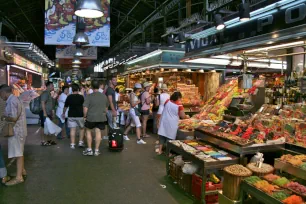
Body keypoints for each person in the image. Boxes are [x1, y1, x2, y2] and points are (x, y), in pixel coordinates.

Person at [0, 85, 27, 186]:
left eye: (0, 94)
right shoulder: (17, 99)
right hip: (21, 130)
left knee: (18, 154)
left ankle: (19, 178)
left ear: (3, 92)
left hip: (16, 131)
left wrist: (4, 117)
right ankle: (22, 171)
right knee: (19, 152)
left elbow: (14, 118)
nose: (0, 97)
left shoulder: (11, 101)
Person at [83, 80, 109, 156]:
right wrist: (104, 113)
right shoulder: (104, 96)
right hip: (101, 117)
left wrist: (85, 116)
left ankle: (90, 150)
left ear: (91, 87)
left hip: (91, 117)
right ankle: (97, 151)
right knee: (98, 132)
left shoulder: (89, 96)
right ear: (99, 86)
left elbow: (85, 108)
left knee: (88, 131)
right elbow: (106, 107)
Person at [63, 84, 85, 149]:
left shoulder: (69, 97)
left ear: (72, 90)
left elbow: (65, 107)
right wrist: (85, 115)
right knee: (82, 128)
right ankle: (80, 142)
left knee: (72, 130)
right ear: (78, 89)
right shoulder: (81, 97)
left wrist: (63, 113)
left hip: (71, 115)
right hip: (80, 115)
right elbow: (84, 106)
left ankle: (72, 144)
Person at [40, 81, 56, 146]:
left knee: (48, 127)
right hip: (45, 113)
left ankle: (48, 140)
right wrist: (44, 113)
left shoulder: (48, 93)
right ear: (48, 86)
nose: (53, 87)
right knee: (44, 127)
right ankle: (44, 141)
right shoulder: (45, 93)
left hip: (47, 112)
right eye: (52, 85)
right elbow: (42, 102)